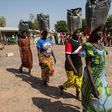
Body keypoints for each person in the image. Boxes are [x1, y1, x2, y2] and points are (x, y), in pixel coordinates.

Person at [79, 26, 112, 112]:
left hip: (101, 77)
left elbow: (103, 61)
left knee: (106, 100)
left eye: (102, 31)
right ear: (92, 32)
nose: (101, 33)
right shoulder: (87, 45)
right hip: (91, 78)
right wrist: (93, 86)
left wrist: (104, 74)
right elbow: (88, 67)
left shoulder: (102, 45)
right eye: (98, 31)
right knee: (92, 99)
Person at [59, 30, 83, 99]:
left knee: (79, 81)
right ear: (73, 34)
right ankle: (62, 87)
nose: (79, 34)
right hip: (70, 66)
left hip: (79, 64)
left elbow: (81, 52)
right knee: (72, 81)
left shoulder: (79, 42)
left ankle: (78, 95)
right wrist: (73, 68)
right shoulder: (69, 43)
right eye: (77, 33)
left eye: (80, 33)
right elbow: (68, 56)